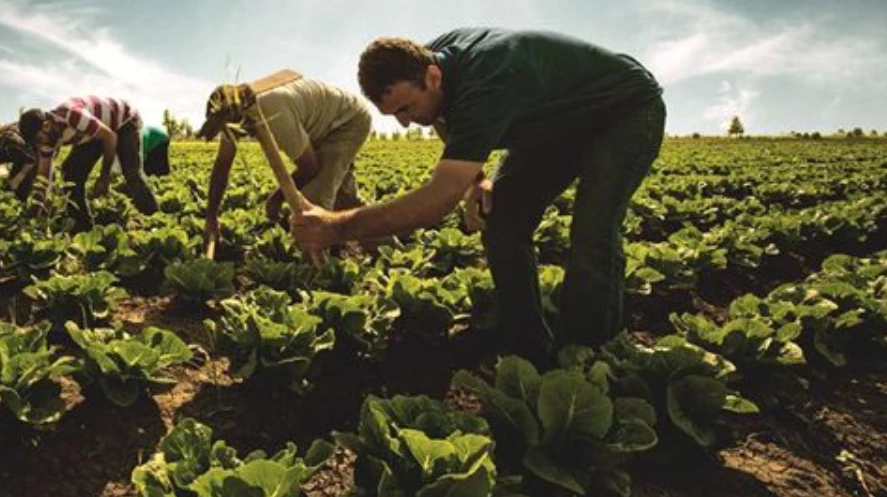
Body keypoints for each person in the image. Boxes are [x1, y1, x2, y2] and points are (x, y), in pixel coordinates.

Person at [290, 28, 666, 359]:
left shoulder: (488, 79)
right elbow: (441, 117)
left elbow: (439, 199)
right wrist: (477, 180)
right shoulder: (431, 63)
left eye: (406, 108)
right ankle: (525, 343)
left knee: (592, 227)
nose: (406, 123)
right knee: (499, 219)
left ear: (432, 77)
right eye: (394, 116)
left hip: (623, 111)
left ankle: (587, 355)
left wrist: (337, 227)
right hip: (551, 124)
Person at [196, 78, 371, 249]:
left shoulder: (272, 112)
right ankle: (385, 243)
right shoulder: (233, 116)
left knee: (315, 198)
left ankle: (316, 269)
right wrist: (211, 218)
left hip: (346, 121)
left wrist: (277, 198)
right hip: (322, 125)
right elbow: (222, 166)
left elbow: (309, 167)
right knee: (344, 198)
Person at [18, 96, 159, 230]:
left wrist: (104, 177)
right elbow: (43, 177)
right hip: (94, 133)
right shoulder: (47, 138)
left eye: (38, 139)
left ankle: (155, 220)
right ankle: (83, 227)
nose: (39, 145)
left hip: (124, 120)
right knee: (71, 173)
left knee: (131, 173)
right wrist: (36, 208)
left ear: (46, 125)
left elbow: (110, 137)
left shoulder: (72, 115)